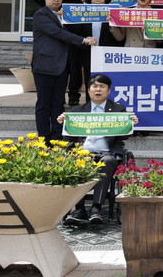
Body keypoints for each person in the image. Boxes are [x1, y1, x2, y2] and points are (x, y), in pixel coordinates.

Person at [59, 73, 138, 225]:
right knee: (77, 161)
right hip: (83, 152)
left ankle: (96, 208)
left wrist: (130, 125)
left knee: (107, 161)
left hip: (108, 153)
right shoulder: (77, 110)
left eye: (102, 86)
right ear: (88, 90)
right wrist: (64, 124)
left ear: (108, 91)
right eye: (94, 86)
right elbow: (70, 139)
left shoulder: (118, 109)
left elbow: (123, 137)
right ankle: (79, 209)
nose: (98, 90)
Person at [32, 0, 96, 142]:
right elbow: (58, 33)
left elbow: (66, 33)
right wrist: (83, 40)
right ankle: (43, 139)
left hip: (61, 66)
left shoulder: (61, 15)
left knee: (58, 103)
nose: (56, 0)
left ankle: (57, 137)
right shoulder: (41, 15)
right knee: (44, 104)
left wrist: (65, 20)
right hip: (45, 66)